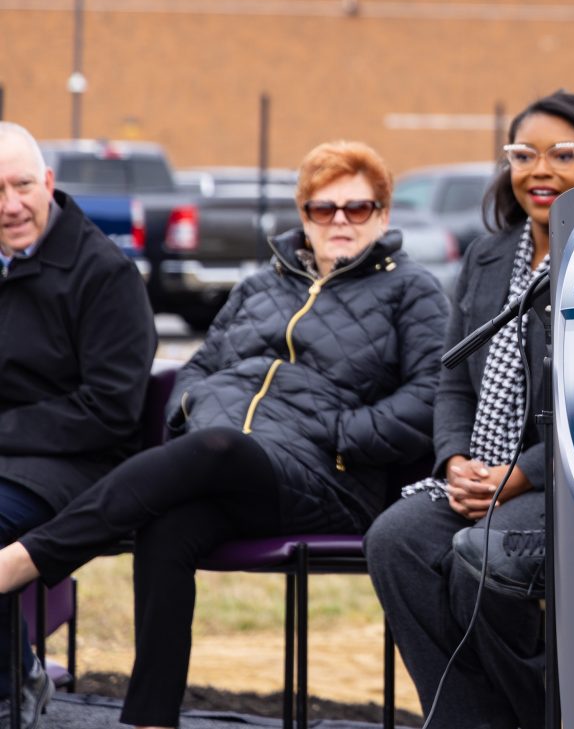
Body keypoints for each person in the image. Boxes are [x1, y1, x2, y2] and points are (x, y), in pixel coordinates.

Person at [0, 139, 446, 729]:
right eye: (323, 208)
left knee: (218, 447)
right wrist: (193, 411)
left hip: (331, 481)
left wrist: (340, 432)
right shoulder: (262, 285)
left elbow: (430, 395)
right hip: (238, 470)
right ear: (304, 215)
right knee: (168, 525)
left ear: (383, 216)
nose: (340, 220)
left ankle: (24, 560)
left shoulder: (413, 291)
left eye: (358, 208)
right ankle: (150, 721)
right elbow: (199, 369)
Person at [366, 91, 574, 729]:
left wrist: (521, 475)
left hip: (572, 480)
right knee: (395, 540)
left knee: (482, 556)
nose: (540, 170)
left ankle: (552, 717)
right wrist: (455, 460)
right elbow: (453, 379)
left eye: (563, 155)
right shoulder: (487, 255)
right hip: (482, 472)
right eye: (524, 155)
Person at [0, 121, 156, 728]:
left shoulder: (104, 273)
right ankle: (16, 669)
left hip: (83, 467)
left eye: (21, 186)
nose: (11, 205)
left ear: (48, 182)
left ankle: (13, 679)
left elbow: (111, 409)